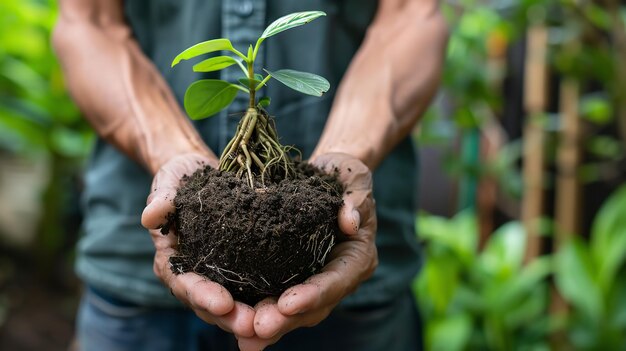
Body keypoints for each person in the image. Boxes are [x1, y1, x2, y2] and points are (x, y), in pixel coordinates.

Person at [53, 0, 448, 350]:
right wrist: (173, 154)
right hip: (133, 281)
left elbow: (412, 16)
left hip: (354, 296)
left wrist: (346, 154)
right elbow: (89, 23)